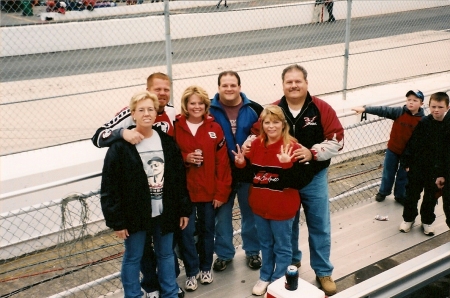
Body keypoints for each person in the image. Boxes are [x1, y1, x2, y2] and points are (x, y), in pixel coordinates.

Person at [91, 73, 185, 298]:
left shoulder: (166, 141)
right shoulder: (120, 147)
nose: (146, 113)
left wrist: (182, 208)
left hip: (164, 211)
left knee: (165, 255)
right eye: (141, 110)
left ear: (156, 112)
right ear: (133, 114)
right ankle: (134, 294)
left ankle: (169, 292)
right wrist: (117, 221)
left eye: (150, 110)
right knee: (133, 257)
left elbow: (177, 180)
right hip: (135, 213)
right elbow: (110, 186)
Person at [255, 64, 344, 296]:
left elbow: (337, 140)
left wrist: (312, 153)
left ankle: (323, 270)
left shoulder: (321, 108)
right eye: (289, 82)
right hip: (284, 179)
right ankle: (292, 262)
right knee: (287, 225)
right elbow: (257, 135)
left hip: (314, 177)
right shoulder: (274, 109)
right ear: (282, 84)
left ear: (306, 83)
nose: (294, 85)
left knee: (319, 224)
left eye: (298, 81)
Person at [233, 105, 303, 296]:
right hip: (260, 206)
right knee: (265, 243)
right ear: (262, 124)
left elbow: (299, 181)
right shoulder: (255, 144)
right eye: (267, 122)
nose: (271, 126)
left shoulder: (293, 146)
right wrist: (241, 165)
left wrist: (287, 164)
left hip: (282, 208)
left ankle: (278, 279)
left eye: (275, 122)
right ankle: (265, 275)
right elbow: (253, 175)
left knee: (282, 245)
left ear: (283, 124)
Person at [173, 85, 232, 291]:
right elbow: (170, 159)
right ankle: (191, 271)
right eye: (192, 103)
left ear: (206, 105)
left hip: (209, 192)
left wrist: (221, 192)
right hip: (185, 193)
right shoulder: (176, 127)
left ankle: (206, 267)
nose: (197, 107)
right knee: (186, 234)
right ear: (186, 105)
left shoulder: (214, 128)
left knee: (208, 230)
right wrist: (185, 158)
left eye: (200, 103)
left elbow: (222, 163)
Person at [210, 71, 264, 272]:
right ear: (218, 88)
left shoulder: (255, 109)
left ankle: (252, 252)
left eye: (233, 85)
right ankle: (224, 254)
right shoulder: (208, 109)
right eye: (225, 85)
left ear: (240, 87)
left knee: (250, 214)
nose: (229, 89)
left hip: (248, 172)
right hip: (221, 173)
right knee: (222, 216)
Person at [352, 90, 425, 205]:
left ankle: (400, 195)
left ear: (421, 104)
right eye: (409, 100)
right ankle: (383, 192)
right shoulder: (399, 112)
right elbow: (383, 110)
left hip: (409, 155)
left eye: (415, 100)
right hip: (393, 150)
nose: (411, 102)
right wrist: (365, 109)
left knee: (403, 175)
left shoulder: (423, 120)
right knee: (388, 172)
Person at [399, 92, 449, 236]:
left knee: (430, 197)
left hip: (434, 170)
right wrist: (406, 161)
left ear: (447, 108)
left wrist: (443, 173)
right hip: (418, 167)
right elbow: (412, 143)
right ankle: (408, 219)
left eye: (440, 107)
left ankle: (427, 221)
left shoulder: (447, 126)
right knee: (412, 194)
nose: (436, 110)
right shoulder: (424, 123)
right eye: (433, 106)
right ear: (428, 106)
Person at [92, 72, 176, 149]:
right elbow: (97, 137)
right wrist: (122, 133)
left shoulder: (171, 110)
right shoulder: (132, 113)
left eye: (166, 90)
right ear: (148, 91)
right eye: (157, 89)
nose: (162, 93)